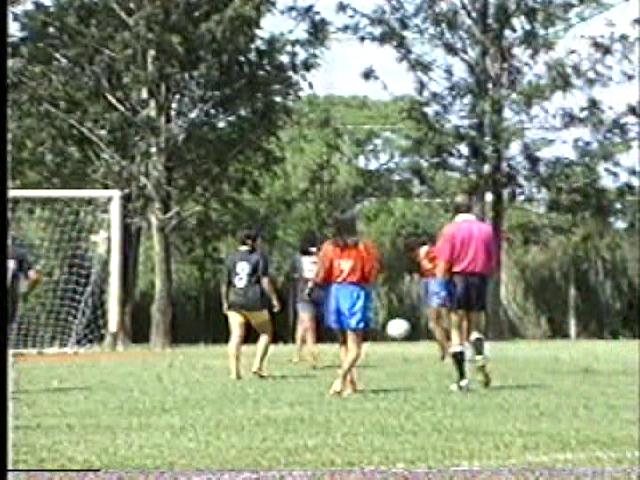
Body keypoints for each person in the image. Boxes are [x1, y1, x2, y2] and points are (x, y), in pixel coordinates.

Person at [434, 194, 498, 391]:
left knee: (455, 327)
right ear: (472, 208)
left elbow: (443, 262)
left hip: (457, 279)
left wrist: (440, 285)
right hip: (479, 279)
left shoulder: (450, 231)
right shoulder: (486, 230)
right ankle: (478, 352)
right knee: (475, 325)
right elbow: (493, 259)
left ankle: (462, 378)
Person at [313, 213, 381, 397]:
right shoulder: (364, 247)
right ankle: (342, 379)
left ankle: (350, 384)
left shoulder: (329, 247)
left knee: (343, 342)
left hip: (335, 293)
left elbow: (322, 273)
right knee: (355, 345)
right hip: (355, 292)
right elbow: (371, 271)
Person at [221, 228, 281, 380]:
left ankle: (234, 372)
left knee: (236, 335)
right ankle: (257, 366)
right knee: (266, 332)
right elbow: (265, 280)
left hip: (235, 300)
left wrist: (225, 301)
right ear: (250, 241)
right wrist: (274, 299)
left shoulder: (231, 258)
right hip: (253, 301)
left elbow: (224, 283)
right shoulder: (258, 257)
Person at [405, 234, 452, 361]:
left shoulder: (425, 253)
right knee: (442, 320)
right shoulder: (432, 251)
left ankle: (448, 351)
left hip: (436, 284)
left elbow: (434, 268)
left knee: (435, 322)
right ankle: (447, 350)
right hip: (438, 283)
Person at [291, 231, 322, 366]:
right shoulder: (298, 259)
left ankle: (297, 354)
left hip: (318, 292)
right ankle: (311, 356)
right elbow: (295, 274)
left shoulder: (321, 257)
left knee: (303, 325)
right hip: (304, 294)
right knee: (309, 325)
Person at [7, 232, 42, 332]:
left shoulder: (18, 254)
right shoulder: (18, 253)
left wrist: (27, 290)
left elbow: (33, 277)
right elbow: (33, 277)